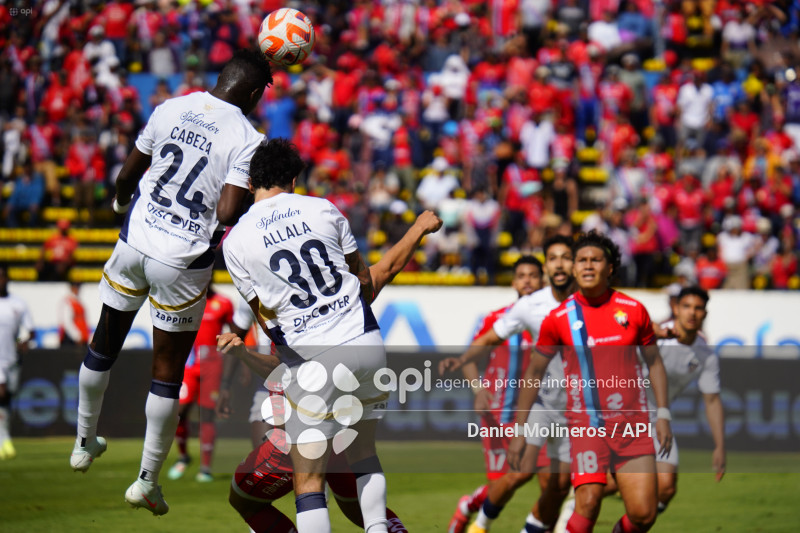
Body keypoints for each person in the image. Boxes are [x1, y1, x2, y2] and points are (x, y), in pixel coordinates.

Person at [69, 49, 273, 516]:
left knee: (103, 345)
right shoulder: (247, 136)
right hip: (181, 259)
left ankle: (83, 442)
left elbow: (127, 175)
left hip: (133, 244)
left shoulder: (171, 107)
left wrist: (122, 206)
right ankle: (146, 481)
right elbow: (226, 212)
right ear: (254, 94)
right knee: (166, 373)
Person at [218, 211, 443, 533]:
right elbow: (386, 268)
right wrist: (418, 228)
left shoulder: (277, 305)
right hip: (348, 410)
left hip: (299, 428)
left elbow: (282, 369)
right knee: (358, 496)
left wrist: (243, 354)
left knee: (248, 498)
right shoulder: (342, 288)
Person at [220, 137, 394, 533]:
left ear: (250, 183)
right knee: (364, 454)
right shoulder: (323, 208)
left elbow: (264, 318)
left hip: (314, 357)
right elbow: (361, 279)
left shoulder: (237, 241)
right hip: (366, 340)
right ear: (294, 179)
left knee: (309, 480)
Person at [507, 230, 673, 533]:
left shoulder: (634, 310)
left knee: (643, 515)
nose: (587, 265)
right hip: (587, 425)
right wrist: (520, 430)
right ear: (574, 268)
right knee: (588, 501)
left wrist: (662, 413)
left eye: (595, 260)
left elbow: (655, 363)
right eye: (581, 260)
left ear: (610, 268)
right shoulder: (559, 317)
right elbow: (534, 373)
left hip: (632, 424)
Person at [440, 235, 576, 533]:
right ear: (513, 282)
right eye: (521, 276)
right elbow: (474, 353)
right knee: (508, 479)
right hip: (499, 411)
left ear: (543, 278)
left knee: (549, 481)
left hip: (537, 409)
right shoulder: (500, 318)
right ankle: (470, 508)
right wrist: (478, 390)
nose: (527, 281)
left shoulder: (550, 317)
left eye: (533, 275)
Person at [604, 286, 725, 516]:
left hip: (658, 419)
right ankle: (570, 509)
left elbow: (712, 401)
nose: (692, 313)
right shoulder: (656, 335)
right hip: (626, 413)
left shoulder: (706, 355)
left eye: (698, 308)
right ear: (676, 309)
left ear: (705, 314)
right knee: (610, 484)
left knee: (666, 487)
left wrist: (720, 445)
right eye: (686, 306)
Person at [167, 285, 233, 483]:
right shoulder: (185, 299)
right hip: (189, 364)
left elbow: (237, 332)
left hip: (212, 365)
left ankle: (205, 468)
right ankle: (183, 456)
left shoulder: (223, 303)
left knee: (207, 414)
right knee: (178, 411)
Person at [0, 263, 35, 459]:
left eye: (2, 276)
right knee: (1, 393)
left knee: (8, 398)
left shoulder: (18, 304)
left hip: (11, 358)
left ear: (7, 278)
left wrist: (24, 341)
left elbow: (30, 330)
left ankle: (3, 436)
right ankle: (4, 439)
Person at [58, 282, 90, 348]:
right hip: (72, 339)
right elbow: (67, 322)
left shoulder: (77, 301)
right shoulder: (68, 302)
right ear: (71, 288)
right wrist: (77, 336)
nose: (77, 289)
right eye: (75, 287)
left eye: (78, 287)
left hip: (81, 338)